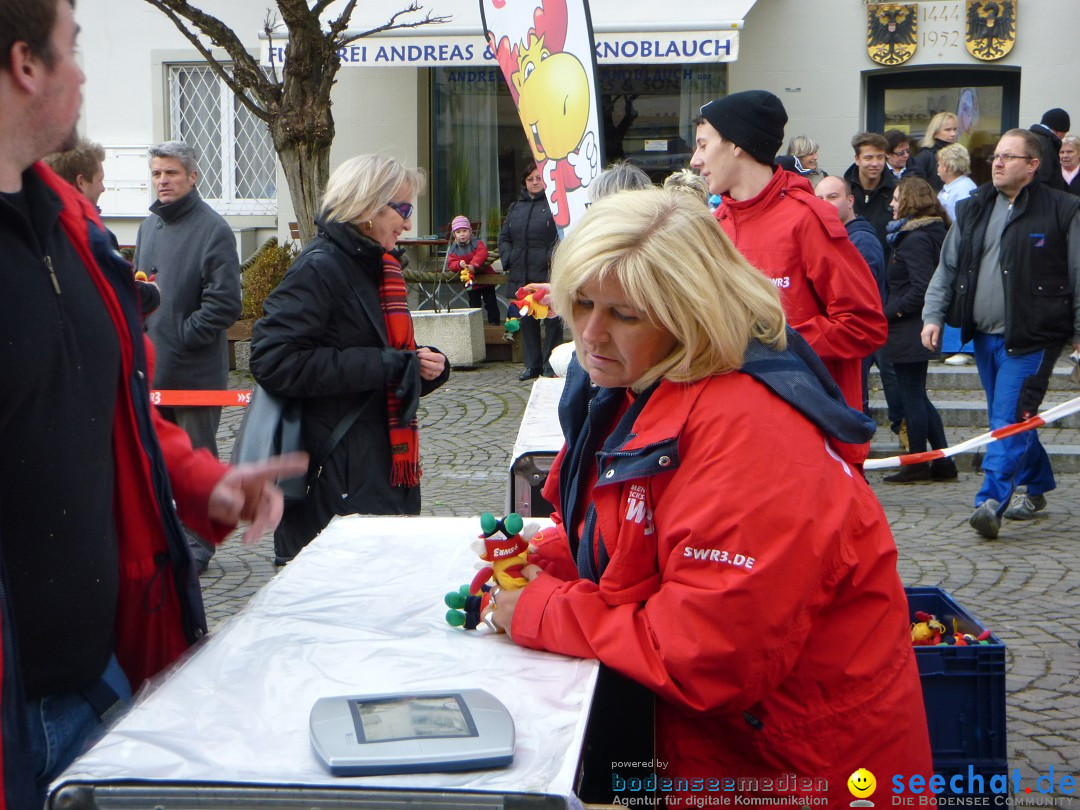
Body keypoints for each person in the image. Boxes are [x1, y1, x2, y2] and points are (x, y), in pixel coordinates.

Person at [490, 188, 934, 807]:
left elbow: (705, 654)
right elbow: (633, 531)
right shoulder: (645, 382)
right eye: (583, 303)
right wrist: (552, 560)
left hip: (797, 773)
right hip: (730, 755)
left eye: (625, 314)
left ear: (689, 315)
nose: (591, 334)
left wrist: (541, 610)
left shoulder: (754, 433)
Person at [0, 0, 307, 799]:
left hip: (97, 682)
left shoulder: (69, 225)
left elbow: (116, 414)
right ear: (25, 65)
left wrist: (209, 481)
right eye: (72, 48)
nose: (84, 71)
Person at [250, 154, 450, 563]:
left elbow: (375, 356)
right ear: (367, 207)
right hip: (333, 476)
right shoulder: (321, 266)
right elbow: (272, 360)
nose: (409, 224)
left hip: (374, 467)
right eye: (404, 209)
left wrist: (422, 367)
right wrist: (385, 364)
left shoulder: (378, 267)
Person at [689, 90, 887, 425]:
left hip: (803, 426)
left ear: (736, 145)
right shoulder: (714, 226)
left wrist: (770, 344)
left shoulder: (808, 220)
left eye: (703, 145)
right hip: (732, 422)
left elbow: (863, 325)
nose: (695, 160)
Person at [922, 129, 1080, 538]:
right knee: (1007, 419)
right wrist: (933, 314)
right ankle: (1039, 482)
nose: (997, 162)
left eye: (1009, 157)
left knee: (1008, 419)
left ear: (1032, 165)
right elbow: (949, 265)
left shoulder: (1063, 208)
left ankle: (990, 502)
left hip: (1034, 336)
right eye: (996, 155)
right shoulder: (974, 208)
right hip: (984, 336)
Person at [136, 140, 242, 570]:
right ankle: (166, 537)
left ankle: (198, 545)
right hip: (153, 372)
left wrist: (180, 337)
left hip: (196, 374)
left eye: (172, 173)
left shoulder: (213, 229)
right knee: (158, 460)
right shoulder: (148, 227)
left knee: (197, 458)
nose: (163, 181)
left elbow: (224, 304)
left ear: (193, 177)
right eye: (157, 173)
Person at [815, 176, 905, 443]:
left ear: (850, 200)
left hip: (859, 332)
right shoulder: (839, 237)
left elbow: (859, 296)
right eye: (820, 199)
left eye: (833, 197)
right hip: (849, 332)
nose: (826, 205)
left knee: (865, 396)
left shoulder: (860, 240)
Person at [880, 178, 957, 482]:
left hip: (909, 326)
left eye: (897, 199)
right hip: (912, 325)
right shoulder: (926, 233)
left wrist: (888, 313)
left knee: (911, 395)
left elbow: (921, 288)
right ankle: (943, 461)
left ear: (910, 201)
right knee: (917, 395)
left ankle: (917, 463)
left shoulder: (916, 238)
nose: (892, 204)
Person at [43, 137, 160, 316]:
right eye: (100, 180)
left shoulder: (34, 228)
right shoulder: (92, 236)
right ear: (81, 182)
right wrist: (151, 293)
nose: (103, 188)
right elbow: (118, 296)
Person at [498, 162, 561, 380]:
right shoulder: (516, 207)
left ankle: (550, 365)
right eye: (530, 179)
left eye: (538, 178)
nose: (534, 183)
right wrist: (508, 258)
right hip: (521, 272)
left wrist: (555, 261)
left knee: (552, 321)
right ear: (525, 182)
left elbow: (562, 237)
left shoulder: (554, 205)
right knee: (527, 319)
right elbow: (504, 236)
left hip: (547, 272)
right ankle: (532, 364)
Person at [935, 143, 979, 367]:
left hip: (960, 251)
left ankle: (963, 347)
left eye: (940, 163)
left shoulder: (962, 190)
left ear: (949, 165)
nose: (938, 168)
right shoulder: (952, 187)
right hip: (953, 249)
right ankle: (951, 346)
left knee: (959, 298)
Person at [844, 131, 897, 250]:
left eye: (880, 157)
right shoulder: (843, 191)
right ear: (857, 159)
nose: (875, 163)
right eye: (868, 158)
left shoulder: (897, 192)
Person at [446, 214, 499, 325]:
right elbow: (450, 263)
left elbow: (482, 253)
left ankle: (494, 325)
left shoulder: (477, 242)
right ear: (454, 235)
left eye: (464, 231)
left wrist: (473, 265)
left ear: (470, 231)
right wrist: (459, 265)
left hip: (486, 278)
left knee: (491, 303)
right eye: (458, 232)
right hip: (469, 281)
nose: (462, 234)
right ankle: (476, 326)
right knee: (474, 305)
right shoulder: (454, 249)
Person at [910, 111, 959, 192]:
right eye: (947, 130)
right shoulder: (925, 156)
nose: (953, 133)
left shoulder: (957, 155)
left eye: (955, 129)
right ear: (935, 132)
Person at [936, 143, 978, 222]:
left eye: (939, 165)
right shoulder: (959, 185)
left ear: (946, 167)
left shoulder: (963, 189)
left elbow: (962, 223)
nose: (938, 169)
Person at [1030, 107, 1070, 191]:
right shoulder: (1046, 144)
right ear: (1059, 131)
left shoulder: (1029, 138)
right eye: (1065, 133)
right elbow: (1044, 177)